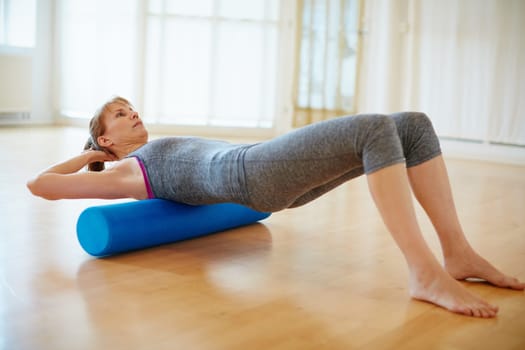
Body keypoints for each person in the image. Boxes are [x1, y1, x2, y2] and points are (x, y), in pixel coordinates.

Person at [27, 96, 524, 318]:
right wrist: (90, 157)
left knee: (411, 124)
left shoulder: (147, 151)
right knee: (374, 126)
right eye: (119, 113)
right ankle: (424, 271)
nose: (133, 113)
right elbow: (40, 185)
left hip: (258, 171)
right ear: (104, 137)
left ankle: (457, 253)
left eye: (132, 107)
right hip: (250, 174)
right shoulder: (122, 172)